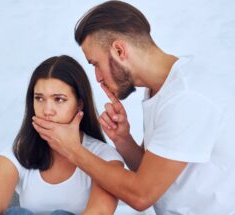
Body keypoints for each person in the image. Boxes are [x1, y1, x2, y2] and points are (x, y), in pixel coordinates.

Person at [32, 1, 235, 214]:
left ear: (119, 50)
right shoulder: (161, 90)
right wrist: (123, 140)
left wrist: (73, 149)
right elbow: (152, 176)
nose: (98, 78)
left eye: (95, 64)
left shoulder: (186, 97)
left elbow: (141, 195)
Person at [0, 55, 124, 215]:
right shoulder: (18, 153)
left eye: (59, 99)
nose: (47, 110)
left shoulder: (105, 156)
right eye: (39, 98)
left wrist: (73, 150)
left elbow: (99, 212)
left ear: (79, 103)